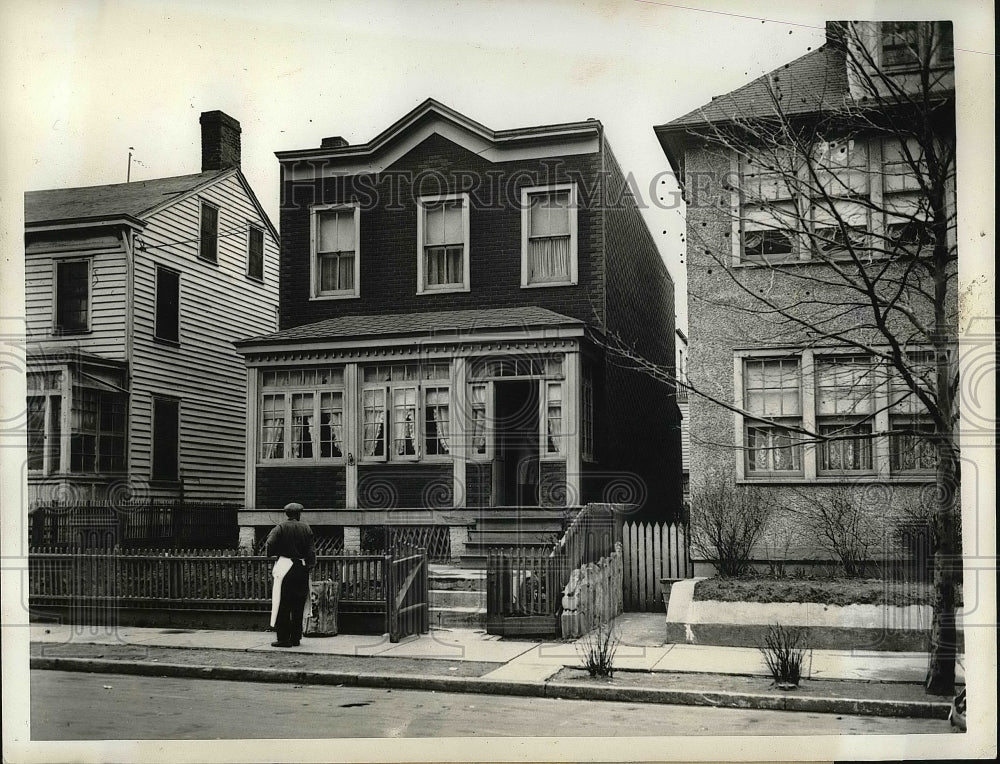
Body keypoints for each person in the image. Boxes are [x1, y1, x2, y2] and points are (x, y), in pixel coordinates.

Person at [265, 502, 316, 647]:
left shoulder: (280, 527)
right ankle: (296, 637)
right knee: (298, 604)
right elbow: (311, 551)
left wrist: (273, 553)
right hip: (301, 567)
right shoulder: (306, 528)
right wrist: (310, 565)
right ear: (298, 514)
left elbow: (269, 545)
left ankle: (283, 638)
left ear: (286, 514)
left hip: (285, 567)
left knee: (283, 603)